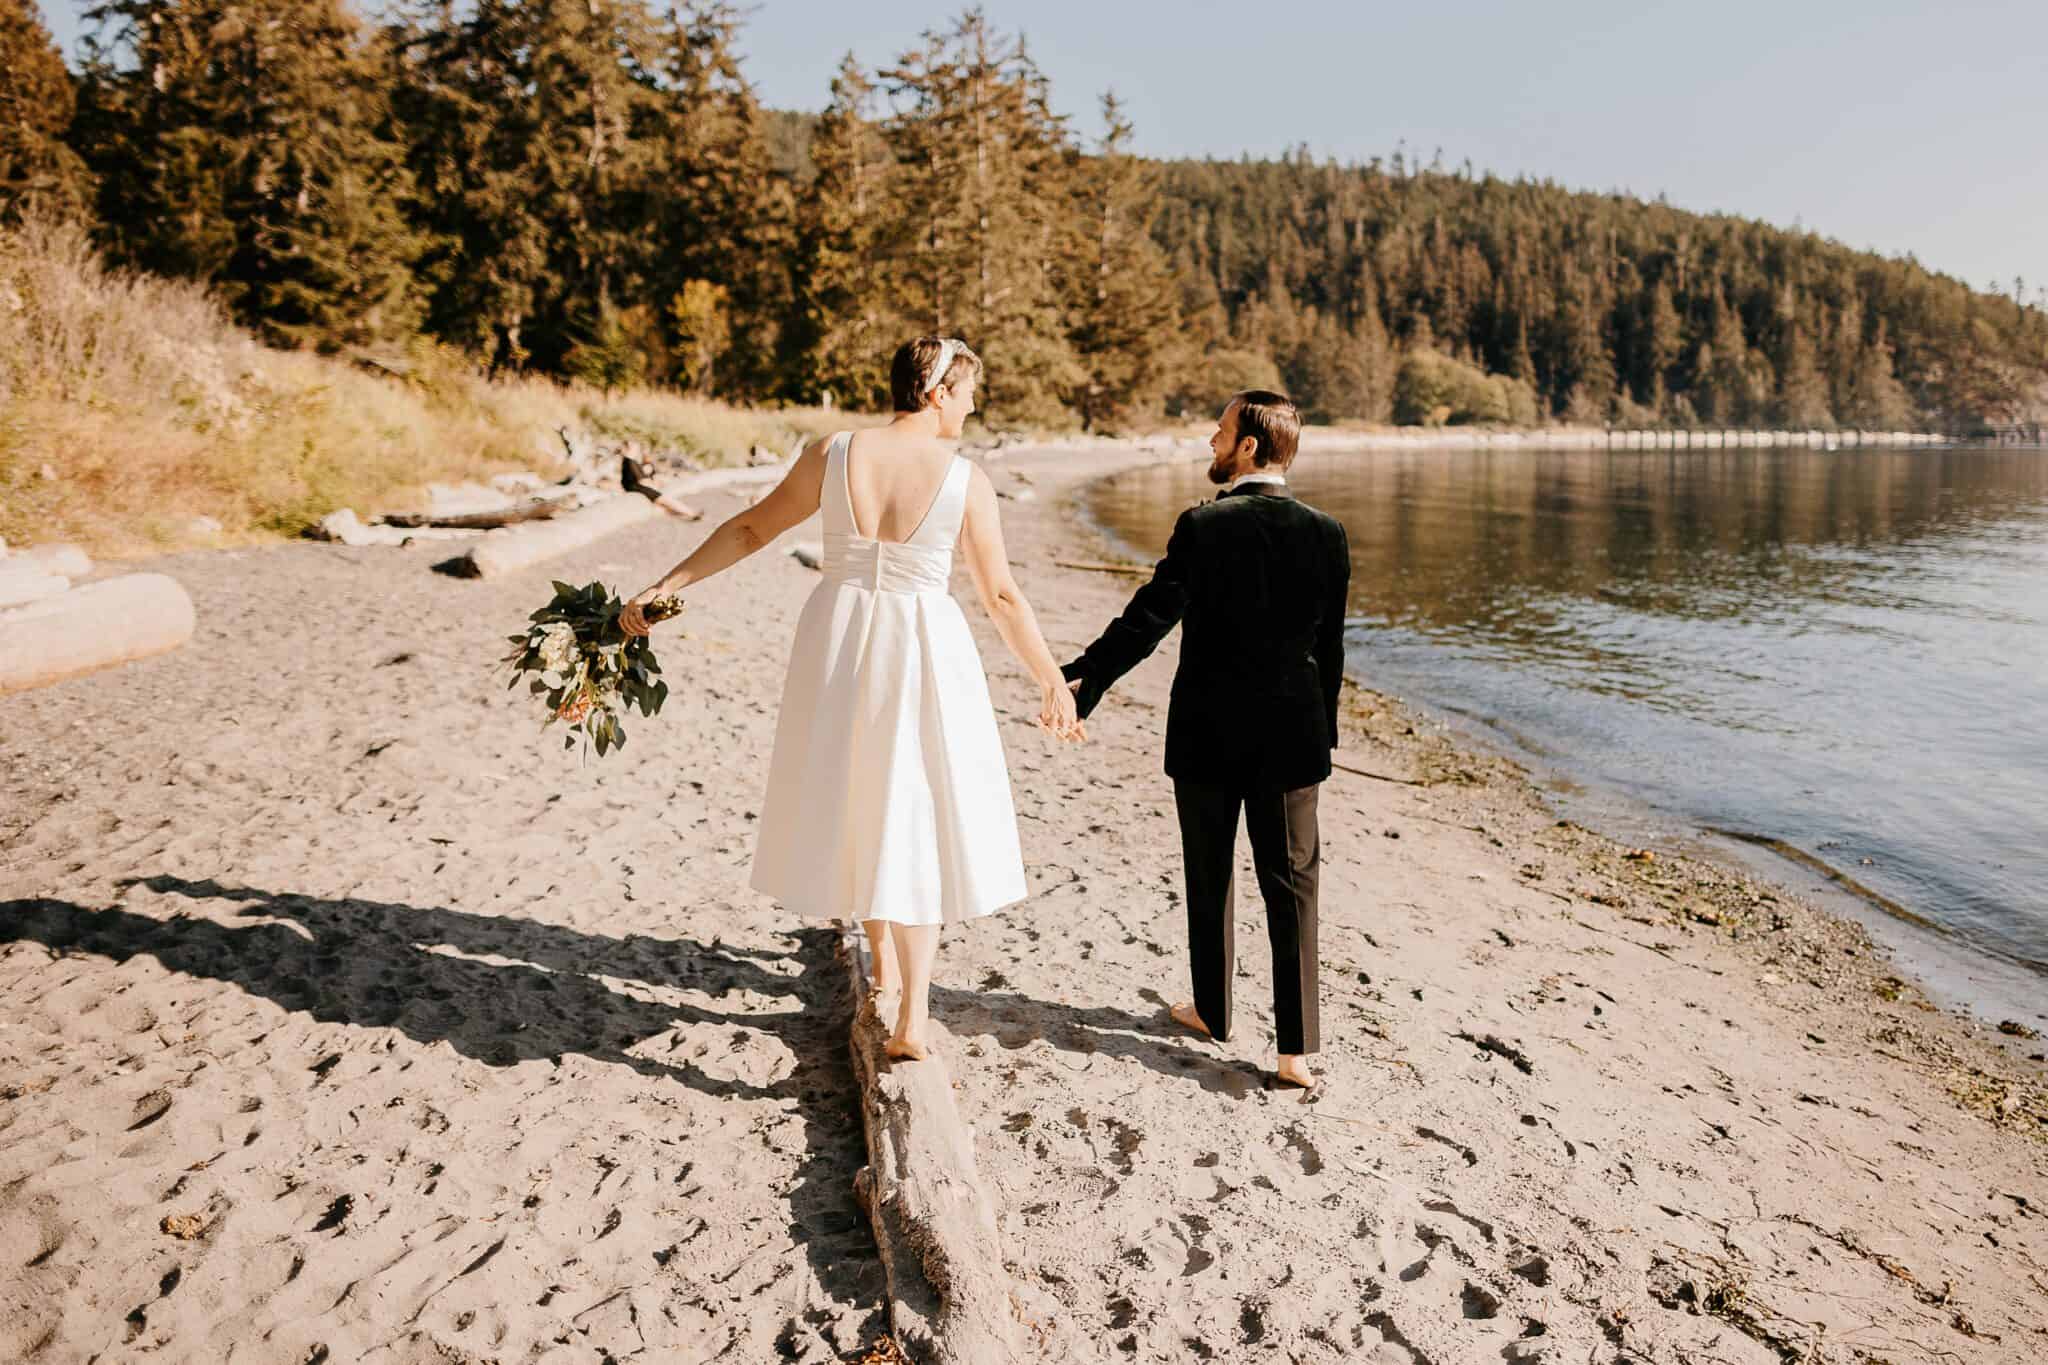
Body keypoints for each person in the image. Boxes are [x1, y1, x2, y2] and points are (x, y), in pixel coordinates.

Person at [621, 337, 1085, 1059]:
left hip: (838, 634)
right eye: (966, 393)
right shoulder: (966, 479)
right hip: (922, 641)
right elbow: (999, 595)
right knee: (918, 806)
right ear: (937, 393)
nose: (972, 404)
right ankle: (911, 1013)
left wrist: (668, 584)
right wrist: (1050, 676)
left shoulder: (832, 452)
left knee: (862, 794)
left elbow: (749, 528)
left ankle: (888, 978)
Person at [1061, 391, 1349, 1090]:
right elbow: (1332, 652)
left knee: (1210, 873)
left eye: (1220, 433)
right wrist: (1324, 735)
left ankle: (1215, 1012)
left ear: (1249, 446)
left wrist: (1084, 680)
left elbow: (1147, 620)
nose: (1210, 442)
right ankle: (1296, 1050)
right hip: (1291, 736)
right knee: (1292, 886)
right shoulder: (1328, 533)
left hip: (1209, 731)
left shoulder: (1203, 526)